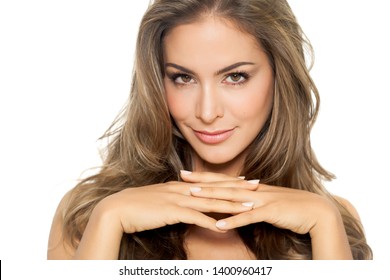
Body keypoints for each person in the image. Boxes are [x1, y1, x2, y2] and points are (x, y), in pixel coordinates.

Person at [47, 0, 372, 260]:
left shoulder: (333, 220)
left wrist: (325, 225)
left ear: (280, 77)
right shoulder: (86, 213)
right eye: (183, 78)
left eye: (235, 77)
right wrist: (109, 219)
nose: (206, 112)